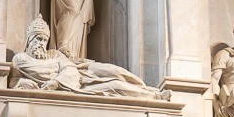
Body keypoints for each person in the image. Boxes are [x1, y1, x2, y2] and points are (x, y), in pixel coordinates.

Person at [11, 15, 170, 100]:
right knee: (116, 86)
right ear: (29, 40)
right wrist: (19, 83)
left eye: (45, 40)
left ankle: (146, 88)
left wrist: (54, 82)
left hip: (81, 74)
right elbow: (13, 81)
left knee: (113, 70)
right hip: (76, 88)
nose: (42, 43)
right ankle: (154, 96)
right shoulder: (21, 59)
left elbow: (69, 67)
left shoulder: (53, 54)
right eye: (38, 39)